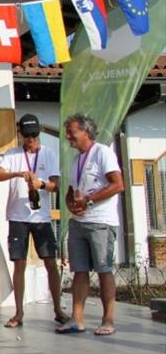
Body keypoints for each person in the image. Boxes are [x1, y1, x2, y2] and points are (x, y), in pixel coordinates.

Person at [0, 114, 67, 329]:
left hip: (41, 217)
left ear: (39, 133)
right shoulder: (13, 154)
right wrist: (16, 174)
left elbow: (57, 184)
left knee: (50, 262)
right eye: (26, 135)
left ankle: (58, 309)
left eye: (33, 135)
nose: (30, 139)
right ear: (21, 135)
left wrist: (40, 184)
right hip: (18, 217)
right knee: (19, 264)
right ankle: (19, 312)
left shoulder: (49, 154)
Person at [58, 113, 124, 336]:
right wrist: (71, 205)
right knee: (79, 271)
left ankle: (108, 319)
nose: (68, 137)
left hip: (101, 223)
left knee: (104, 270)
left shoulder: (103, 153)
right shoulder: (76, 160)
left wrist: (88, 200)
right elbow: (70, 192)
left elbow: (118, 185)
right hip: (79, 223)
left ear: (86, 132)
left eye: (72, 132)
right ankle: (77, 319)